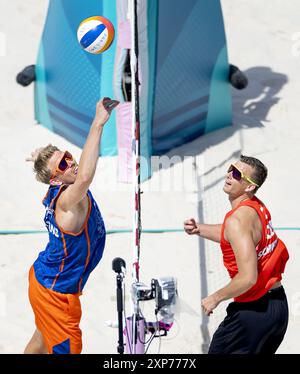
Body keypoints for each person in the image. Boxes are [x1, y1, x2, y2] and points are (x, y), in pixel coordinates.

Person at [24, 97, 119, 354]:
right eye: (64, 164)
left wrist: (39, 159)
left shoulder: (62, 188)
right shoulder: (68, 201)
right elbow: (86, 175)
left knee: (43, 339)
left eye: (68, 155)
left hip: (42, 278)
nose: (72, 162)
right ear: (55, 180)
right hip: (56, 294)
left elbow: (77, 171)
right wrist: (98, 123)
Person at [184, 155, 289, 354]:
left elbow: (248, 278)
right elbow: (234, 236)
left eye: (237, 174)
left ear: (249, 187)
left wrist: (215, 297)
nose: (229, 175)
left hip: (254, 313)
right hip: (277, 309)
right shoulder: (256, 207)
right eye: (230, 169)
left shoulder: (238, 220)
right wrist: (199, 228)